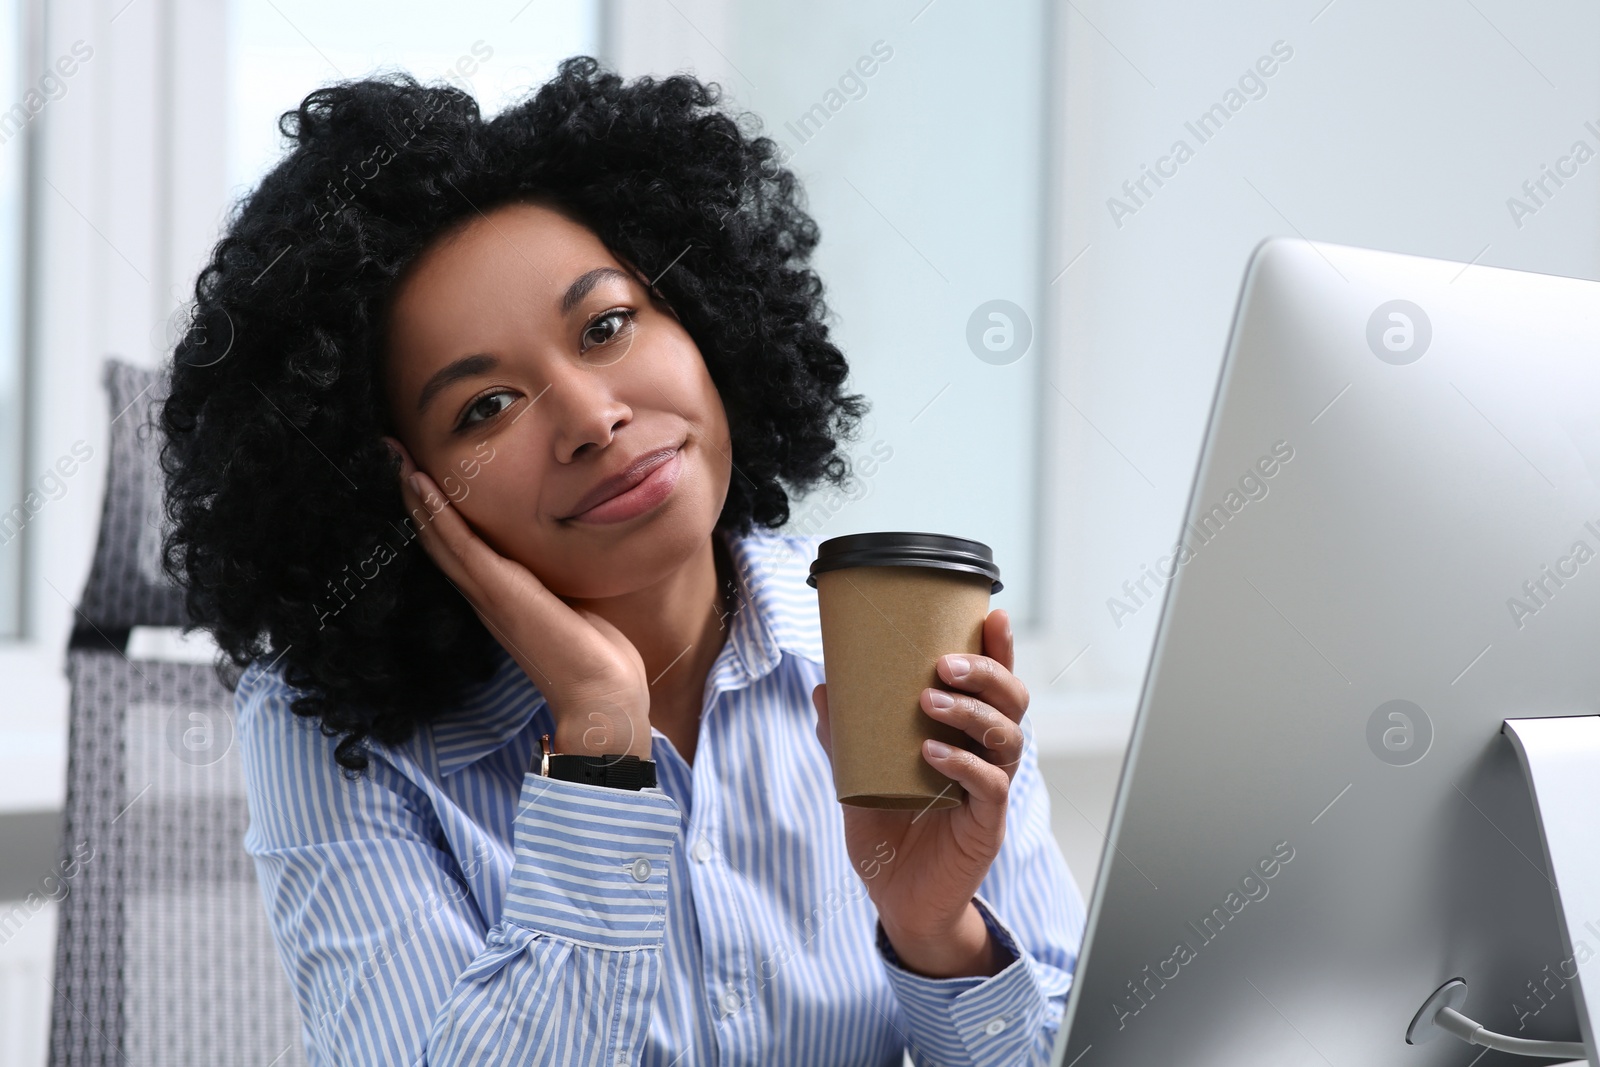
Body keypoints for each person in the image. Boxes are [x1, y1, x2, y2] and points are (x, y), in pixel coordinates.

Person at [158, 55, 1086, 1066]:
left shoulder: (887, 635)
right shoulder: (333, 732)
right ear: (396, 487)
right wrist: (600, 742)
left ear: (701, 314)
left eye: (607, 325)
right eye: (485, 406)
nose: (592, 418)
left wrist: (936, 935)